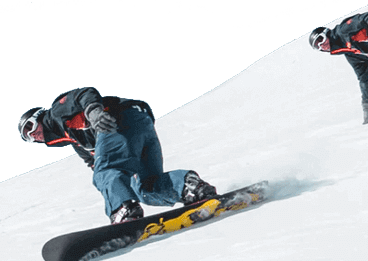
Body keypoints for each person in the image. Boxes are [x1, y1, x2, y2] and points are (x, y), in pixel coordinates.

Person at [15, 86, 218, 224]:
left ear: (39, 117)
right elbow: (93, 161)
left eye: (30, 127)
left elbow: (84, 93)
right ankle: (189, 187)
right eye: (27, 137)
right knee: (145, 187)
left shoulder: (55, 113)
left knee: (106, 171)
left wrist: (94, 112)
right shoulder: (75, 140)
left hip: (120, 119)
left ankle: (123, 209)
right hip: (141, 123)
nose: (33, 135)